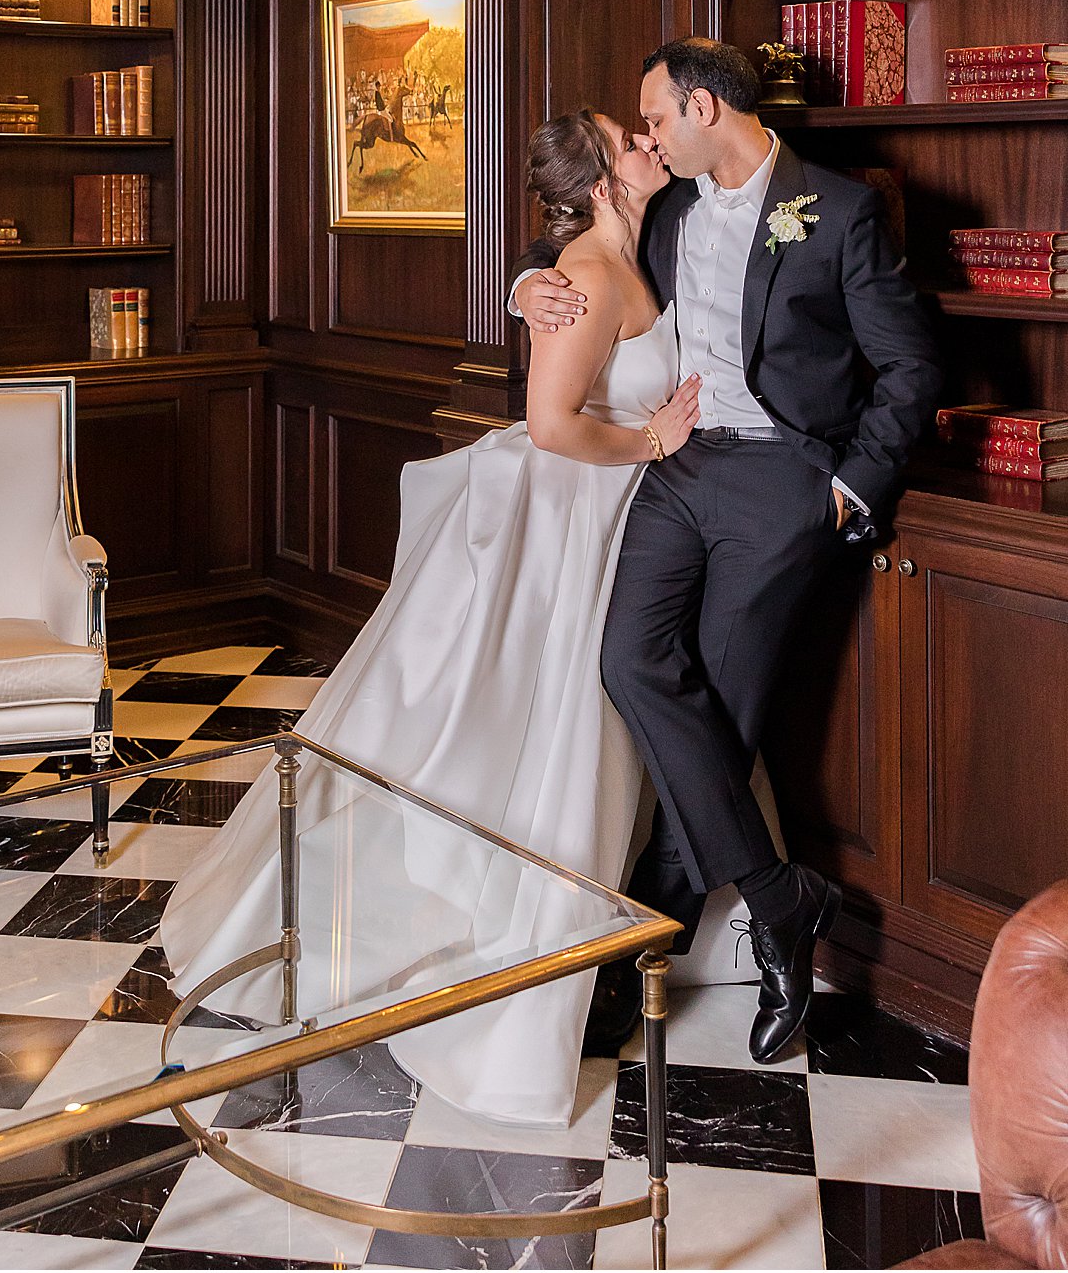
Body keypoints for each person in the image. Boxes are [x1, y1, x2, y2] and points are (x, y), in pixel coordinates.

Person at [160, 109, 698, 1125]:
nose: (646, 141)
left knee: (544, 727)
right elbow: (549, 424)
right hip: (564, 515)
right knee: (519, 722)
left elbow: (561, 298)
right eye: (628, 136)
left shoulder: (623, 249)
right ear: (599, 181)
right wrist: (649, 448)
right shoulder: (587, 270)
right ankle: (477, 945)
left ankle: (543, 931)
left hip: (594, 518)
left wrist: (525, 281)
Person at [512, 37, 943, 1063]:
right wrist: (528, 285)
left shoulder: (836, 210)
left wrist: (848, 488)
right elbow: (584, 254)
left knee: (724, 713)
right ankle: (779, 894)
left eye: (656, 118)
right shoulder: (662, 208)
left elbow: (908, 366)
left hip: (783, 480)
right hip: (676, 465)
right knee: (631, 667)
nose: (648, 140)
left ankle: (634, 960)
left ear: (705, 109)